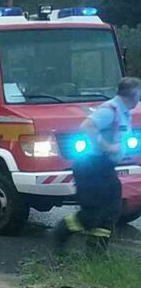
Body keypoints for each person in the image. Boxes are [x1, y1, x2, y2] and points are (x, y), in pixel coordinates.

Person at [53, 76, 141, 253]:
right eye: (138, 94)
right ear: (132, 94)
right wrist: (107, 146)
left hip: (104, 167)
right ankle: (62, 231)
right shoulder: (110, 110)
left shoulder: (123, 112)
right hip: (91, 167)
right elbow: (86, 126)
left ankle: (96, 252)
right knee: (93, 213)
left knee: (111, 211)